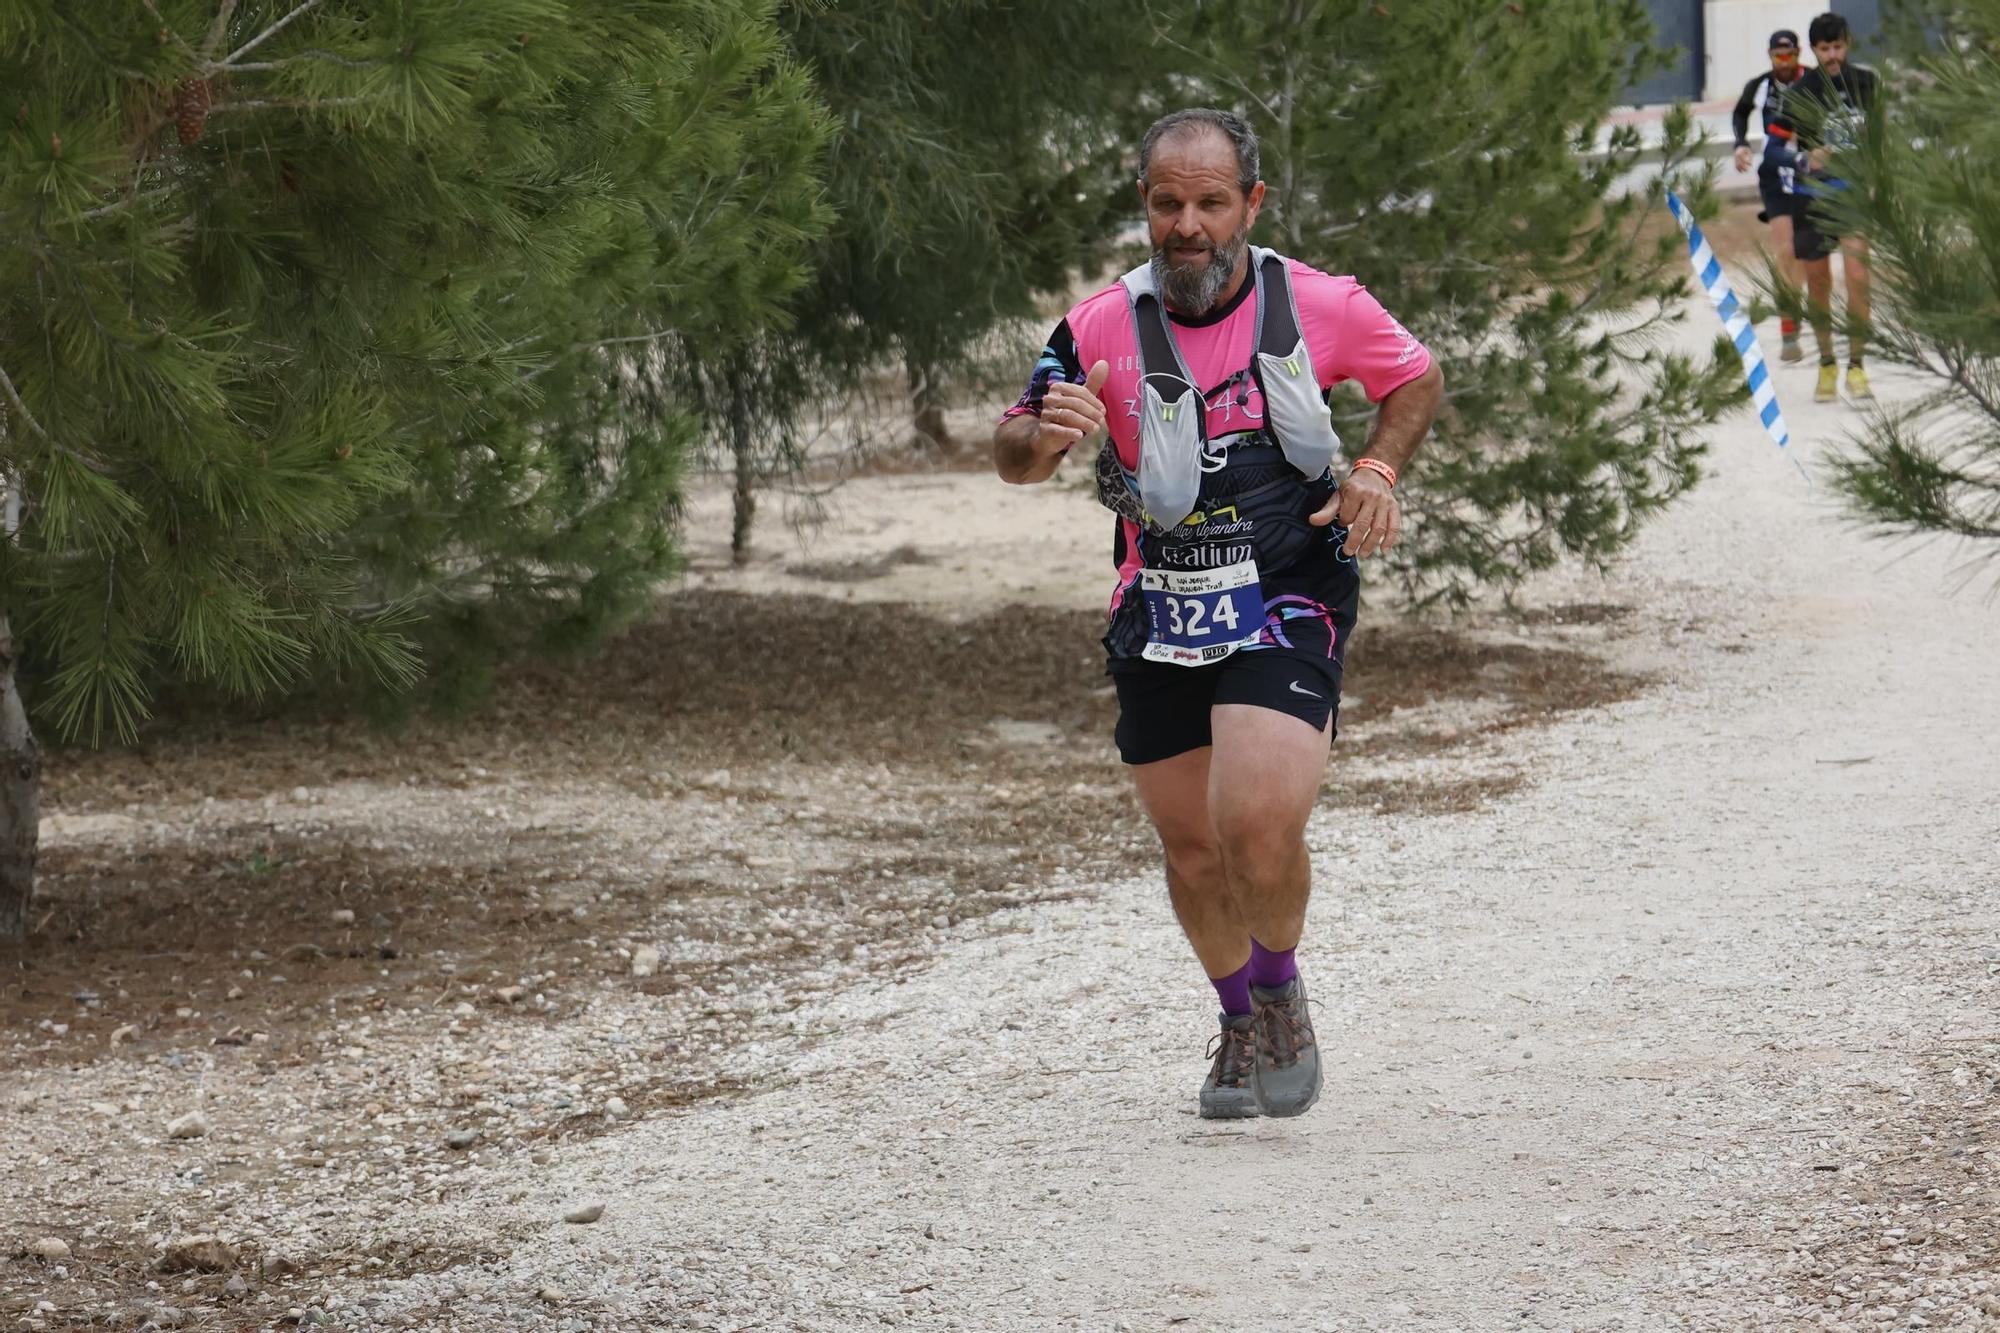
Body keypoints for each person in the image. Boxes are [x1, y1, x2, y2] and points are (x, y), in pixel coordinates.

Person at [991, 108, 1443, 1120]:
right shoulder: (1099, 323)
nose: (1185, 224)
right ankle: (1235, 1013)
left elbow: (1413, 375)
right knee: (1191, 846)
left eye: (1207, 201)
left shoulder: (1315, 302)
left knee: (1255, 827)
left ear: (1250, 203)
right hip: (1159, 599)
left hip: (1287, 583)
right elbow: (1015, 449)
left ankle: (1279, 985)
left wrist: (1375, 465)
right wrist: (1035, 437)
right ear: (1145, 209)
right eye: (1165, 204)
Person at [1772, 11, 1881, 403]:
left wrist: (1878, 185)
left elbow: (1881, 142)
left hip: (1852, 196)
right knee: (1819, 284)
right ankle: (1826, 363)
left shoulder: (1867, 83)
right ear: (1814, 50)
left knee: (1858, 276)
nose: (1832, 55)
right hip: (1811, 198)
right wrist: (1805, 159)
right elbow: (1774, 151)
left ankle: (1857, 367)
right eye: (1824, 49)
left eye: (1838, 46)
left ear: (1847, 44)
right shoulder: (1801, 93)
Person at [1732, 28, 1809, 362]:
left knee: (1803, 253)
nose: (1783, 63)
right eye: (1778, 57)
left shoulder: (1813, 82)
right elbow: (1739, 113)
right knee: (1785, 250)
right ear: (1769, 56)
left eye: (1789, 56)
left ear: (1798, 54)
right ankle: (1789, 326)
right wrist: (1741, 144)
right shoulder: (1760, 85)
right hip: (1775, 173)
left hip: (1808, 172)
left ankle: (1799, 304)